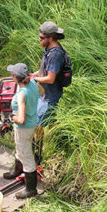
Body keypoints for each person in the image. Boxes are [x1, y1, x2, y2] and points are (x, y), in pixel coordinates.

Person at [31, 21, 68, 164]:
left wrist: (34, 81)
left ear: (51, 37)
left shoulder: (55, 55)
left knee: (37, 126)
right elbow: (44, 70)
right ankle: (57, 146)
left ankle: (37, 157)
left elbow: (51, 78)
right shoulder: (48, 50)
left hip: (50, 96)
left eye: (41, 38)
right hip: (44, 94)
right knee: (50, 122)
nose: (39, 39)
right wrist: (33, 75)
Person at [2, 63, 40, 199]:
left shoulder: (22, 94)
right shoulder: (32, 83)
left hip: (24, 128)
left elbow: (21, 119)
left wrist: (12, 117)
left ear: (16, 77)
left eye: (12, 74)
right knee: (21, 149)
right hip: (32, 124)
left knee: (27, 157)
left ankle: (31, 189)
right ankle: (17, 170)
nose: (11, 75)